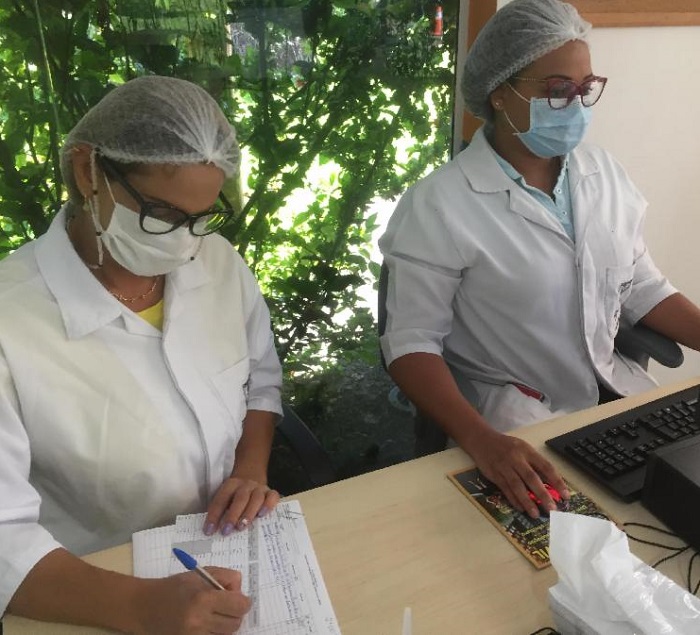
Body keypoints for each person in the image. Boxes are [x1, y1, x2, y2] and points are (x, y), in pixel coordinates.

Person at [379, 0, 700, 519]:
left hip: (615, 399)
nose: (576, 105)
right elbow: (410, 344)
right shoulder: (439, 205)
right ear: (500, 92)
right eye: (557, 90)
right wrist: (482, 441)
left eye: (585, 87)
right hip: (515, 419)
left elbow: (641, 285)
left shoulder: (602, 172)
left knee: (675, 506)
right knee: (579, 534)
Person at [0, 75, 283, 633]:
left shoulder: (219, 265)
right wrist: (141, 606)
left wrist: (250, 468)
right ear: (88, 171)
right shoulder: (13, 323)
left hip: (226, 557)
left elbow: (261, 381)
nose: (185, 243)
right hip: (87, 590)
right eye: (162, 214)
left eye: (202, 219)